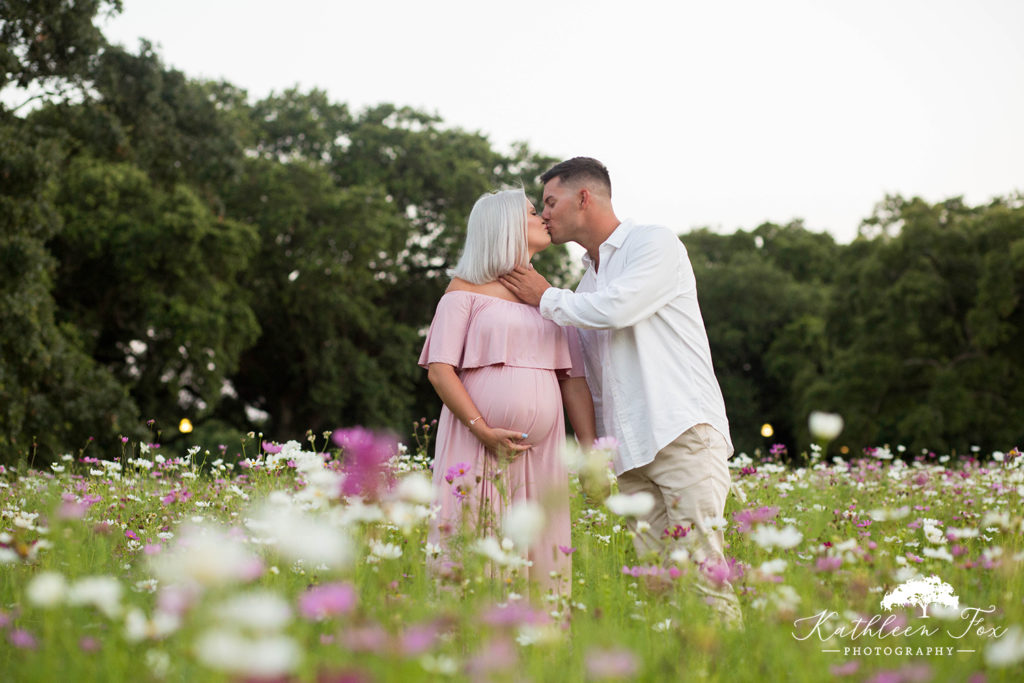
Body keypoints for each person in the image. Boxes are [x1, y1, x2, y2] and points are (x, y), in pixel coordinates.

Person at [500, 157, 742, 626]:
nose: (544, 213)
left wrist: (544, 296)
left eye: (550, 202)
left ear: (584, 198)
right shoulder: (586, 285)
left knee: (703, 576)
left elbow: (620, 308)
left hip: (682, 433)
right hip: (630, 456)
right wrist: (597, 457)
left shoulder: (652, 243)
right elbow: (590, 380)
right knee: (657, 586)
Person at [418, 188, 596, 597]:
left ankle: (538, 648)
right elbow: (441, 371)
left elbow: (574, 380)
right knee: (476, 543)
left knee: (540, 550)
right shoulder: (464, 292)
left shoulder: (550, 299)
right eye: (534, 213)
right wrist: (482, 429)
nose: (544, 219)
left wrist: (591, 454)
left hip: (542, 453)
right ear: (506, 226)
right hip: (478, 444)